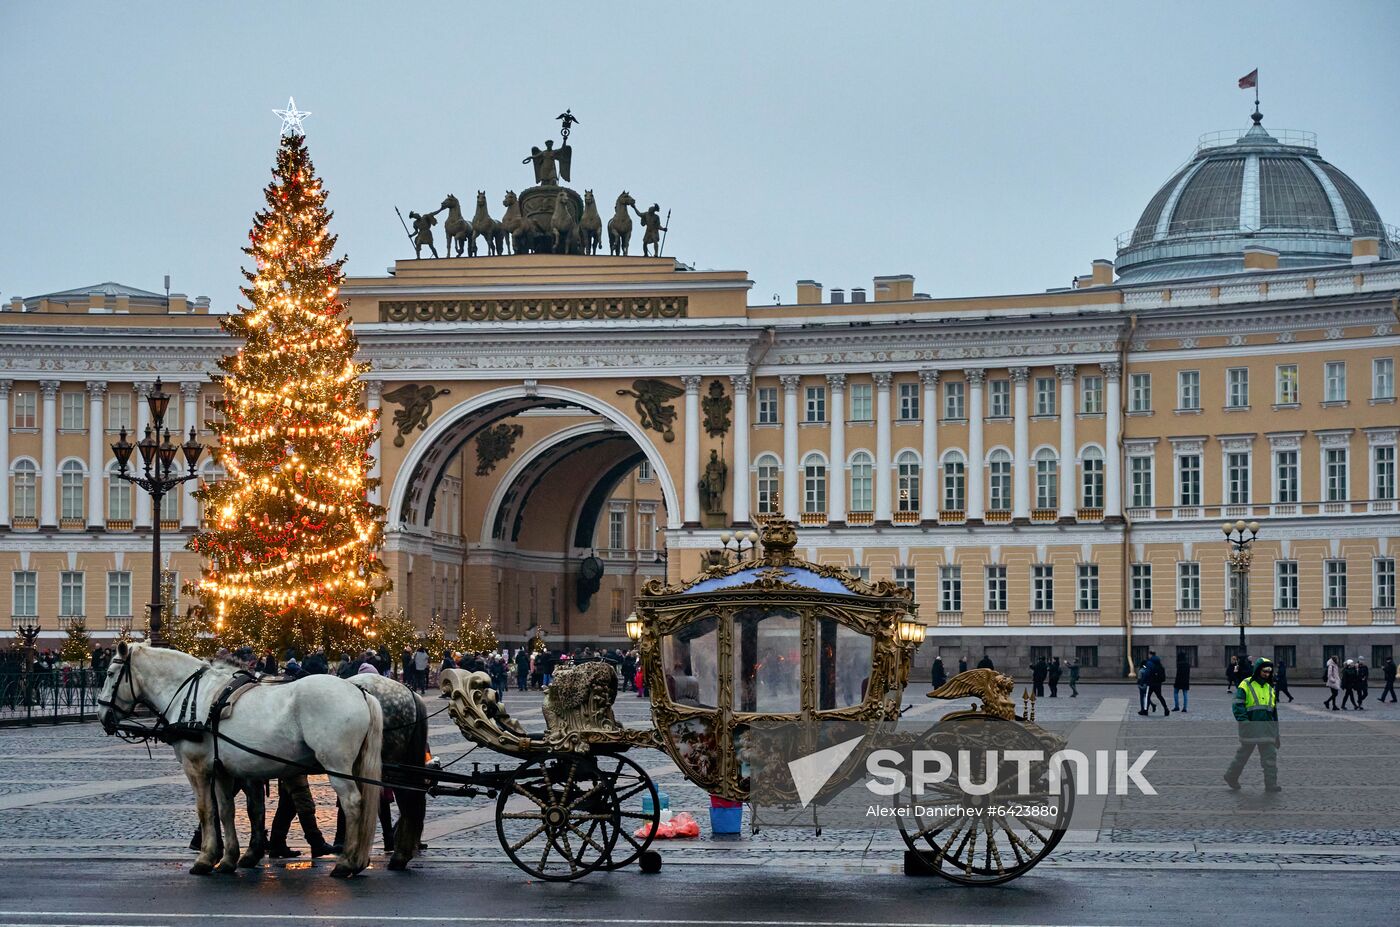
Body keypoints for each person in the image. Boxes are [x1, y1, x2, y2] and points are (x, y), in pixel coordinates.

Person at [1224, 657, 1282, 793]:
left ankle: (1271, 784)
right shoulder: (1246, 684)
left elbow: (1273, 713)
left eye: (1269, 671)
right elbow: (1238, 705)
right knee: (1242, 756)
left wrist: (1277, 734)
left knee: (1270, 757)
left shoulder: (1270, 688)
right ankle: (1231, 776)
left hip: (1267, 729)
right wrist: (1244, 722)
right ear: (1258, 670)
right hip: (1250, 727)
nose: (1267, 674)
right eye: (1264, 671)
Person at [267, 775, 336, 859]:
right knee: (303, 802)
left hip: (289, 772)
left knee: (287, 805)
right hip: (294, 771)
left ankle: (277, 844)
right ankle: (317, 843)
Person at [1145, 651, 1170, 716]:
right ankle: (1166, 708)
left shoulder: (1150, 663)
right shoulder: (1159, 664)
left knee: (1147, 697)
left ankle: (1146, 710)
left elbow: (1147, 673)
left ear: (1150, 655)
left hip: (1150, 683)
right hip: (1158, 684)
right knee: (1160, 696)